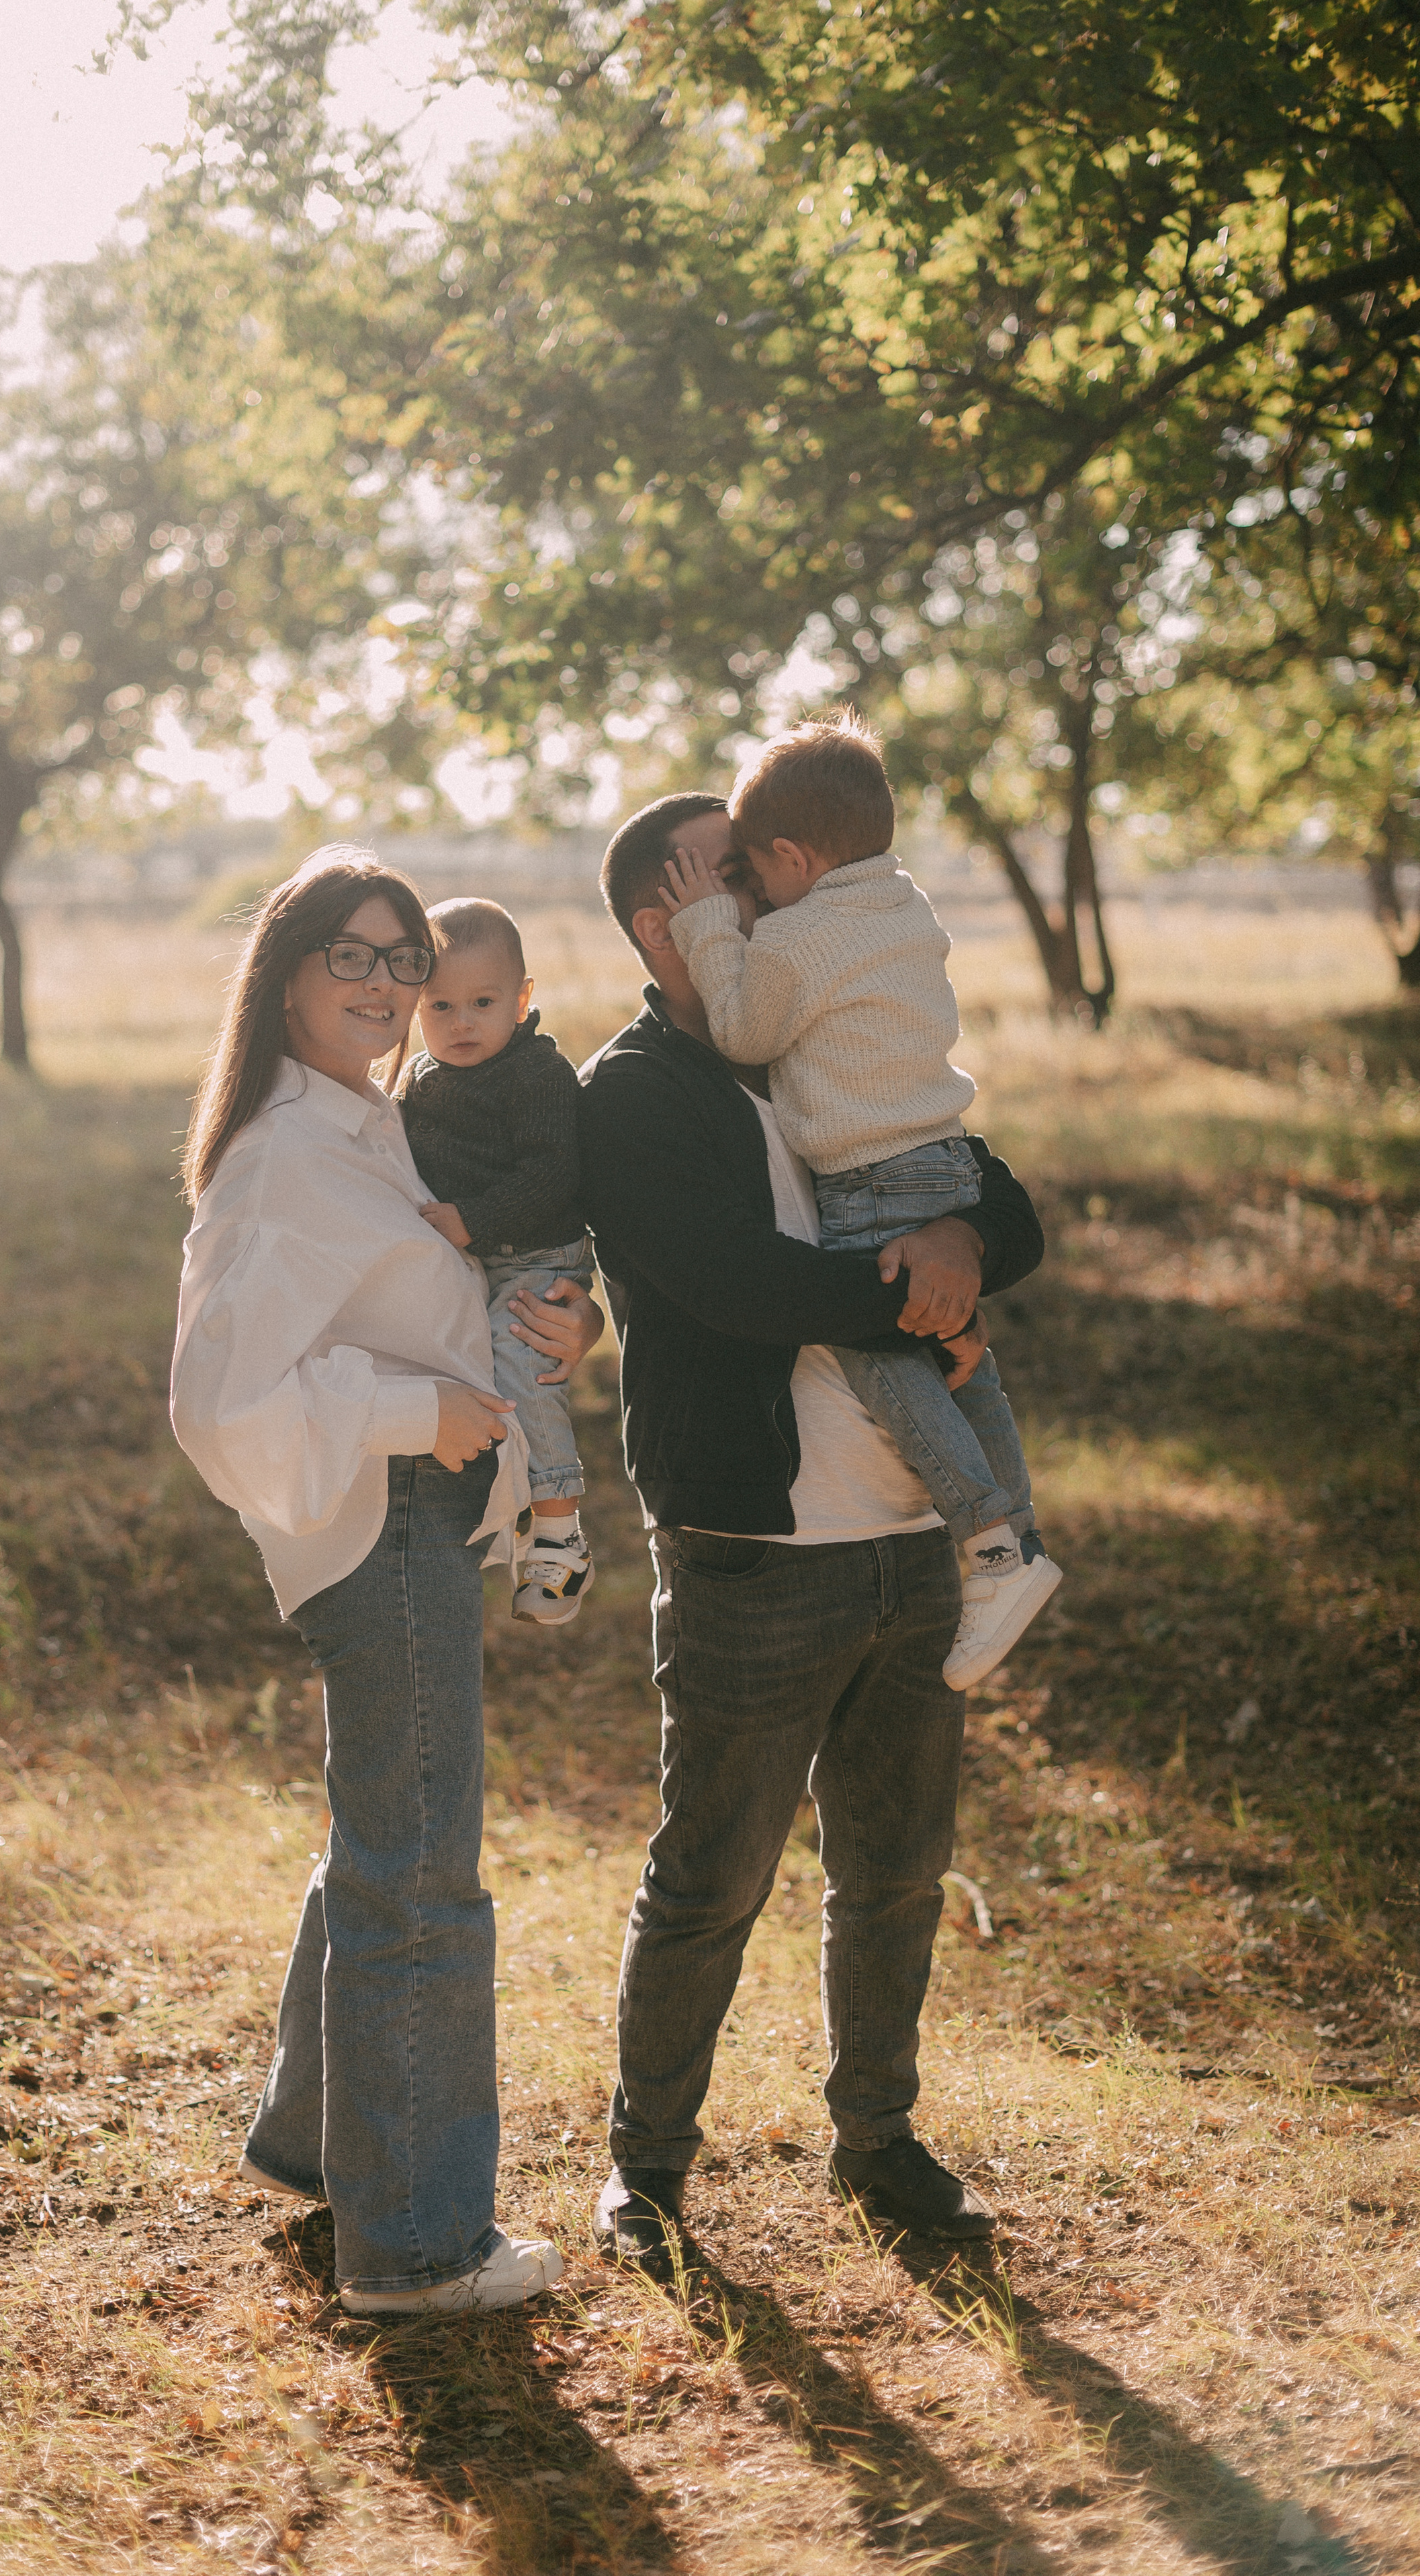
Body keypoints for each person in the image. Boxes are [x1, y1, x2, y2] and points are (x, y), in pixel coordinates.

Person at [577, 793, 1045, 2262]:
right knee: (711, 1877)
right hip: (750, 1547)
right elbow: (734, 1284)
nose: (776, 899)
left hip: (912, 1537)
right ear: (663, 922)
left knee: (895, 1869)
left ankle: (879, 2143)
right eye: (732, 882)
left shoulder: (826, 1019)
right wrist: (916, 1296)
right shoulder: (633, 1094)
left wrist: (962, 1247)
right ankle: (644, 2172)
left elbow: (996, 1194)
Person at [169, 847, 601, 2315]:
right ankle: (414, 2247)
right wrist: (415, 1415)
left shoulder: (367, 1123)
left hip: (416, 1514)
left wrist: (551, 1323)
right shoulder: (286, 1153)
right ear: (283, 972)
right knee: (420, 1875)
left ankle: (315, 2147)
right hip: (375, 1522)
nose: (383, 984)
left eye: (400, 958)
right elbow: (219, 1403)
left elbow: (436, 1288)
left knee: (386, 1833)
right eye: (348, 956)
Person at [660, 708, 1061, 1690]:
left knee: (883, 1349)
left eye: (749, 872)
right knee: (963, 1351)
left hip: (876, 1177)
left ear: (791, 858)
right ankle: (1022, 1531)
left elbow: (749, 1029)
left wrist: (708, 925)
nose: (746, 894)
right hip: (940, 1157)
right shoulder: (902, 903)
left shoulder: (804, 935)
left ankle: (992, 1544)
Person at [398, 897, 596, 1625]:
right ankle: (513, 1503)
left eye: (483, 1002)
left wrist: (470, 1221)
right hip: (479, 1255)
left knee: (522, 1366)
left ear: (523, 998)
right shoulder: (420, 1078)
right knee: (472, 1377)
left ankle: (560, 1533)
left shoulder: (537, 1075)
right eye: (440, 1005)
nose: (461, 1022)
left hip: (537, 1254)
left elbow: (551, 1174)